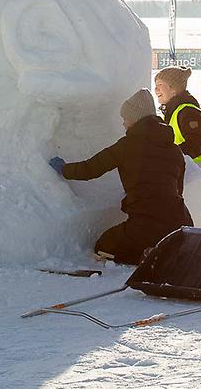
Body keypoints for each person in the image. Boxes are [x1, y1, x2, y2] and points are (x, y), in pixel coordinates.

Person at [47, 89, 192, 264]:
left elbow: (91, 168)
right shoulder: (174, 149)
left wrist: (64, 169)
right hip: (180, 222)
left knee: (103, 246)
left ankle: (147, 256)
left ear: (135, 120)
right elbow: (179, 189)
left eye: (125, 119)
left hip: (145, 223)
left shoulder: (128, 146)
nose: (124, 124)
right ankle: (159, 251)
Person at [154, 65, 201, 191]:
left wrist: (165, 155)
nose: (155, 89)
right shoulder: (173, 112)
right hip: (189, 174)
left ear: (174, 89)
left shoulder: (189, 113)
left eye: (160, 85)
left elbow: (195, 146)